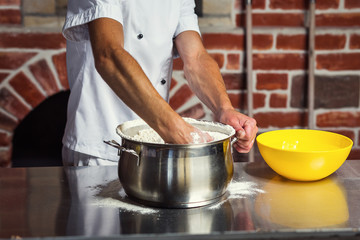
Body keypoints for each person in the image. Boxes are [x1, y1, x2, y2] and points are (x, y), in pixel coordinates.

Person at [61, 0, 258, 166]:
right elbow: (108, 55)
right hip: (101, 147)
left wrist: (224, 108)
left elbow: (196, 57)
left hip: (156, 142)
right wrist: (174, 128)